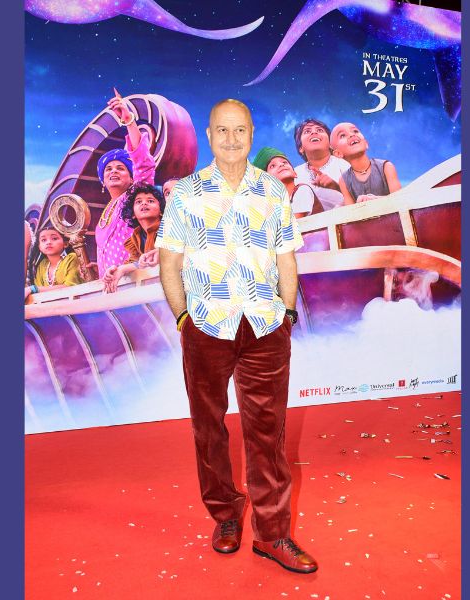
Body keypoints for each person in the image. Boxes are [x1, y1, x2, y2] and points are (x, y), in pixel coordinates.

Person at [156, 99, 318, 574]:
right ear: (209, 135)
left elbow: (286, 255)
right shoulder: (186, 193)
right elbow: (169, 262)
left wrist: (287, 312)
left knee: (268, 433)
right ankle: (225, 513)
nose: (231, 139)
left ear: (251, 133)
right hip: (206, 326)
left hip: (266, 326)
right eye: (222, 131)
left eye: (240, 130)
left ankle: (273, 534)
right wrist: (183, 318)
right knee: (208, 428)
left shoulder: (271, 190)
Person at [94, 88, 156, 287]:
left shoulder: (133, 197)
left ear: (131, 178)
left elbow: (143, 164)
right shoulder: (106, 210)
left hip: (135, 280)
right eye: (108, 169)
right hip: (111, 286)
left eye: (120, 168)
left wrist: (129, 121)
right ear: (102, 181)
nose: (113, 171)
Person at [103, 182, 165, 293]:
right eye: (138, 202)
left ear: (161, 210)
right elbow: (133, 262)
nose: (144, 203)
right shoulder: (135, 238)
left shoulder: (169, 229)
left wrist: (125, 269)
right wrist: (116, 269)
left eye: (150, 201)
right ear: (133, 214)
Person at [330, 121, 401, 204]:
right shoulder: (344, 180)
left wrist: (375, 200)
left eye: (355, 131)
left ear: (366, 144)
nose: (352, 135)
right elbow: (350, 210)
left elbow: (399, 200)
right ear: (338, 154)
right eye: (342, 135)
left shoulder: (386, 167)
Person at [292, 118, 350, 212]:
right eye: (307, 131)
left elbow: (359, 196)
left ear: (330, 144)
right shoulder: (295, 173)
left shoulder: (343, 164)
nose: (314, 132)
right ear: (301, 148)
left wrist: (337, 187)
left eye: (319, 130)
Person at [252, 146, 323, 219]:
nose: (281, 164)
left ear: (295, 173)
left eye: (284, 162)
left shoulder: (302, 190)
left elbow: (293, 222)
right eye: (272, 166)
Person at [24, 224, 83, 299]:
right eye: (43, 240)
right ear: (39, 247)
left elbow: (70, 287)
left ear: (65, 244)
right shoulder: (42, 265)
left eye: (54, 238)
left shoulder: (72, 258)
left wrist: (33, 289)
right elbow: (39, 294)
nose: (48, 242)